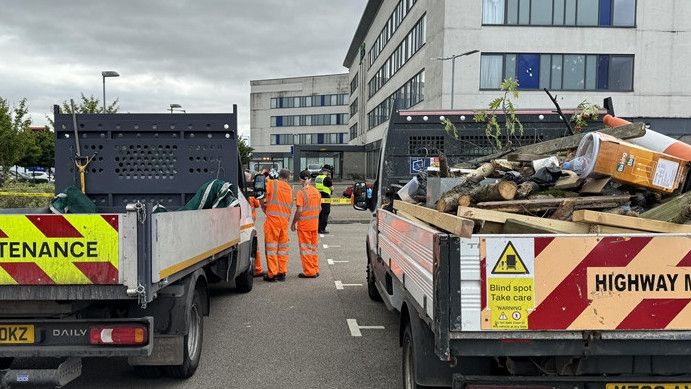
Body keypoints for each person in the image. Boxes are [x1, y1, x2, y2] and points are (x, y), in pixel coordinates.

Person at [260, 168, 292, 282]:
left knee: (271, 249)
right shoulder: (289, 188)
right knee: (283, 249)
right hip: (284, 222)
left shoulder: (272, 184)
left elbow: (261, 195)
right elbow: (289, 207)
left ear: (279, 175)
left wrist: (264, 207)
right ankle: (282, 273)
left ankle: (272, 274)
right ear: (287, 178)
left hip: (273, 222)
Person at [291, 170, 322, 278]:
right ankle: (315, 269)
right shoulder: (316, 191)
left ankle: (309, 272)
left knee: (305, 249)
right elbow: (320, 208)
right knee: (313, 249)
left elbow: (299, 210)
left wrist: (293, 223)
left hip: (304, 225)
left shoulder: (301, 193)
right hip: (314, 225)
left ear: (301, 180)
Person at [248, 192, 264, 277]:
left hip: (244, 225)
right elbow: (257, 204)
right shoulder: (251, 195)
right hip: (250, 226)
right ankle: (257, 269)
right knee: (255, 249)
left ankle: (256, 268)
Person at [315, 165, 334, 234]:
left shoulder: (317, 177)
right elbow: (332, 188)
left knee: (320, 213)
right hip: (325, 196)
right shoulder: (327, 179)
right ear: (327, 171)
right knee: (325, 213)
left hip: (318, 196)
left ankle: (318, 228)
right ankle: (322, 229)